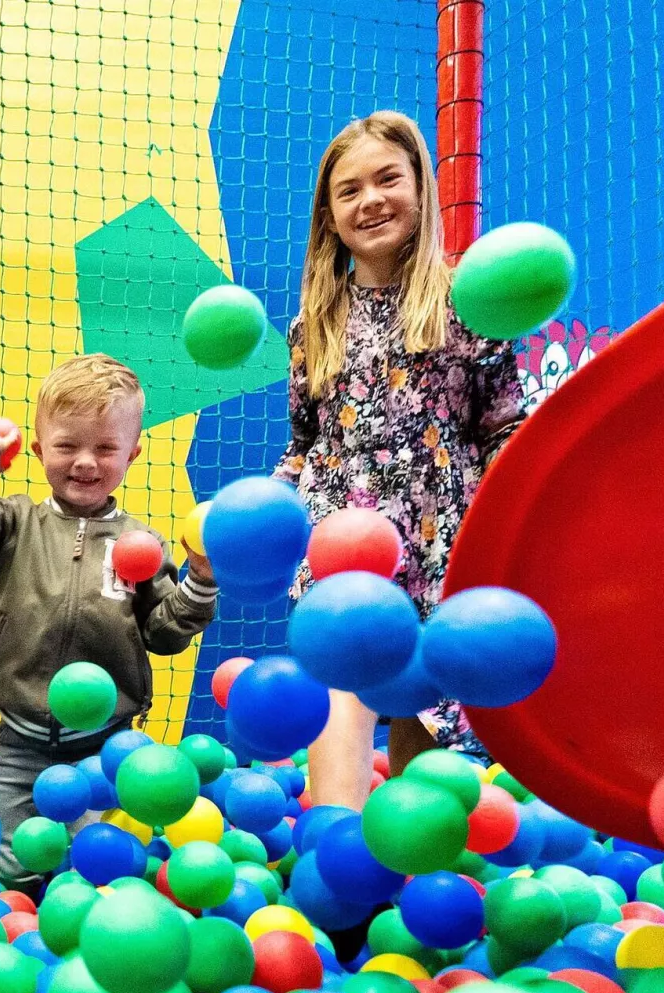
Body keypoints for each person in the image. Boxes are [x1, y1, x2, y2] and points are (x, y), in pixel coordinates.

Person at [275, 110, 526, 810]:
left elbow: (503, 422)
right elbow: (305, 440)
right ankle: (336, 838)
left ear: (422, 187)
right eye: (349, 191)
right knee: (343, 675)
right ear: (329, 217)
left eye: (389, 178)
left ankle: (423, 849)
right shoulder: (314, 324)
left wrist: (509, 520)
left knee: (426, 693)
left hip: (435, 525)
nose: (371, 200)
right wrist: (268, 508)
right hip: (341, 527)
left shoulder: (464, 305)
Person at [0, 354, 219, 894]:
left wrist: (200, 579)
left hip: (106, 743)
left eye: (106, 448)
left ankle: (93, 940)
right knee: (17, 862)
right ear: (41, 450)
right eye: (67, 446)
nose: (86, 462)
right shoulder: (18, 523)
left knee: (99, 866)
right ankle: (23, 933)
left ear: (133, 453)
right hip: (21, 738)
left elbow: (164, 634)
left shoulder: (140, 544)